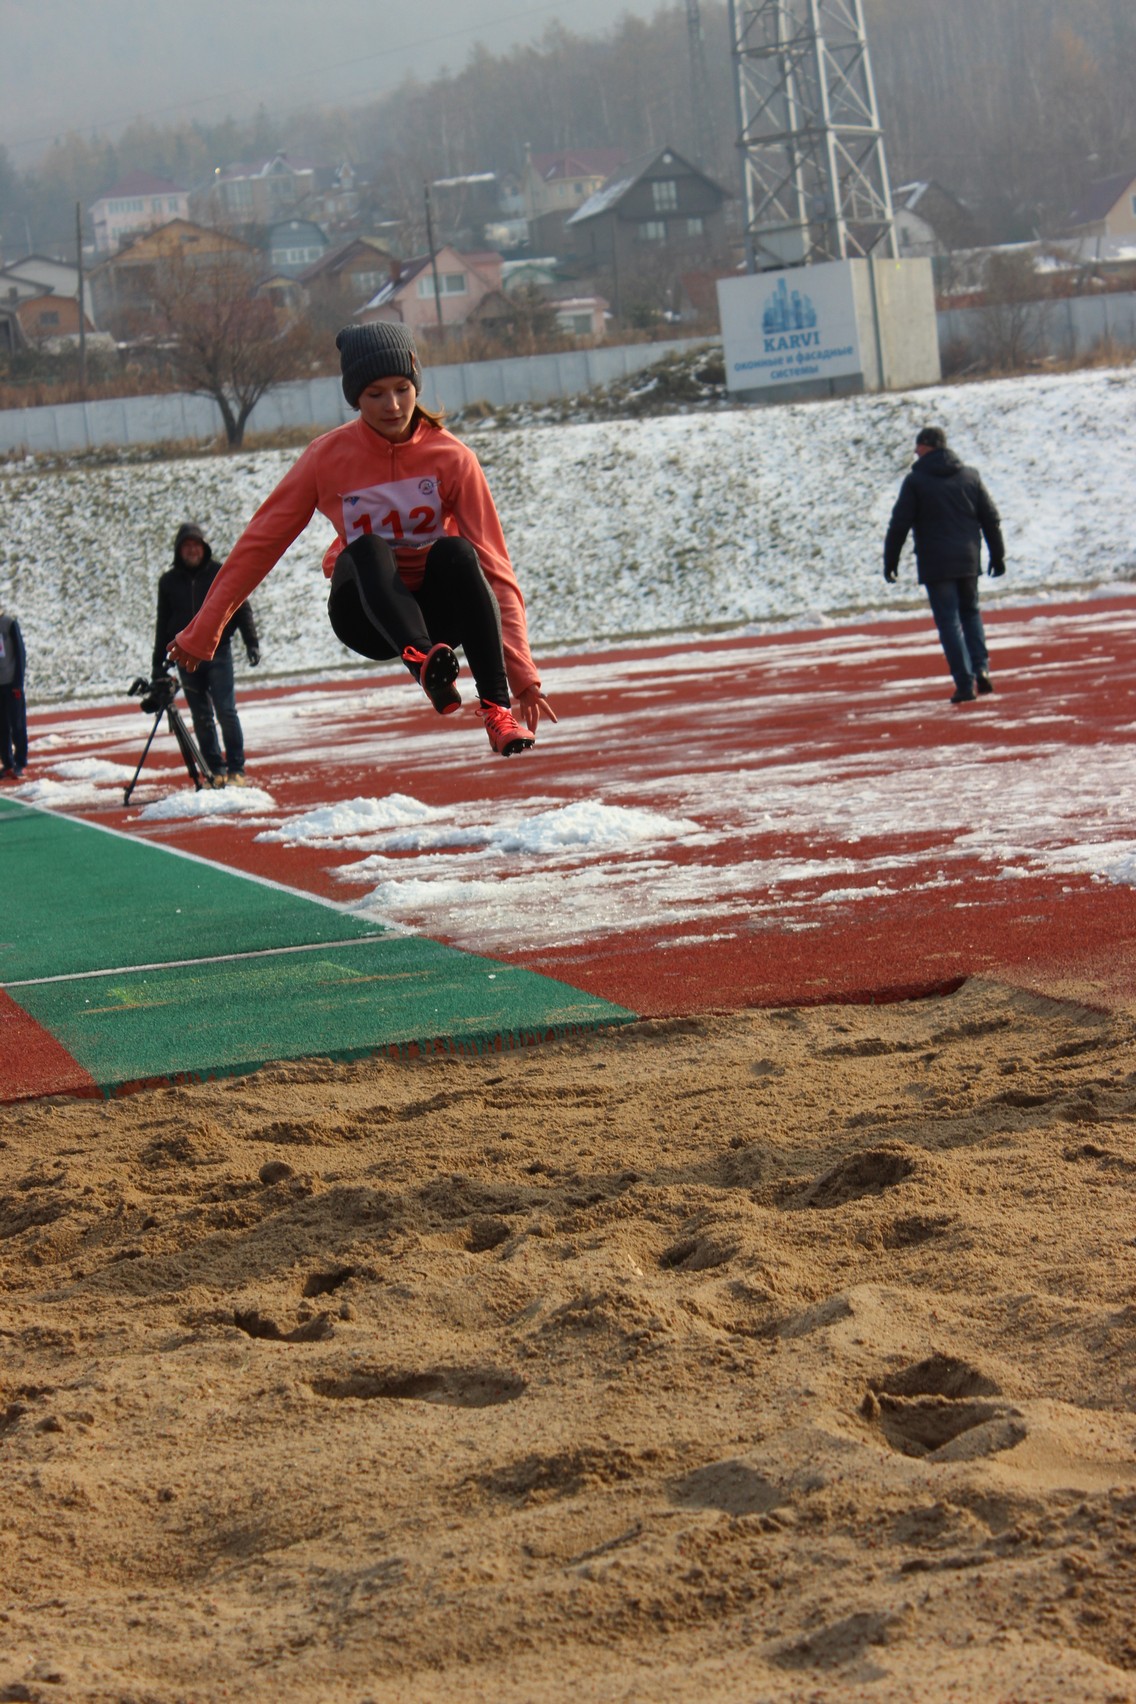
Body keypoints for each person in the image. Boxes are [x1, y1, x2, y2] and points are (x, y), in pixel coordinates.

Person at [166, 323, 556, 758]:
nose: (392, 406)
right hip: (365, 615)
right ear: (355, 398)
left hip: (436, 616)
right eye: (375, 395)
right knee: (368, 547)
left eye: (402, 389)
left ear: (416, 386)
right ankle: (424, 662)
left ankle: (496, 711)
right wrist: (204, 630)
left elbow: (496, 568)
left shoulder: (453, 458)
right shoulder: (326, 458)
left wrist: (523, 673)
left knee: (458, 552)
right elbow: (260, 543)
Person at [883, 425, 1006, 705]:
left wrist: (890, 559)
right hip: (968, 559)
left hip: (936, 563)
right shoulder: (970, 476)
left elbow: (899, 524)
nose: (915, 451)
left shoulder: (916, 481)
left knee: (949, 622)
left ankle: (964, 684)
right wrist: (997, 554)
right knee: (971, 614)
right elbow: (990, 518)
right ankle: (981, 668)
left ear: (929, 446)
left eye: (918, 445)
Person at [153, 523, 260, 785]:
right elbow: (162, 621)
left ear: (204, 547)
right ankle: (215, 770)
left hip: (217, 651)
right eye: (187, 546)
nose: (192, 550)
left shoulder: (219, 572)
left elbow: (241, 606)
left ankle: (237, 769)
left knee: (226, 710)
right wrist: (158, 663)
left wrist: (251, 642)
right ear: (179, 550)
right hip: (186, 654)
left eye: (196, 545)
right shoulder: (168, 581)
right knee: (201, 716)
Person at [0, 602, 28, 780]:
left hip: (11, 684)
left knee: (17, 724)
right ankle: (7, 762)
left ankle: (20, 762)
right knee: (1, 726)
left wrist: (18, 683)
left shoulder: (9, 623)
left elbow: (20, 653)